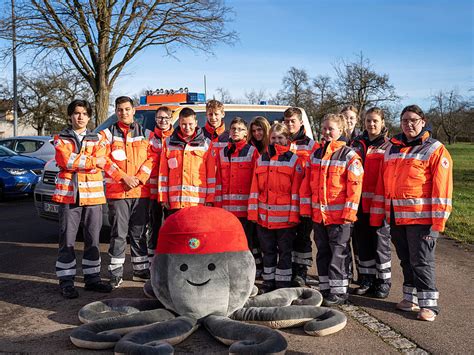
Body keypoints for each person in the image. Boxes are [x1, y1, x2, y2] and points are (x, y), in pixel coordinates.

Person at [370, 105, 453, 322]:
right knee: (405, 259)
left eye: (413, 120)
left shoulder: (435, 149)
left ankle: (429, 305)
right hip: (396, 216)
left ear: (423, 122)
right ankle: (410, 298)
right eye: (405, 120)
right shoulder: (392, 148)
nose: (409, 124)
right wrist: (378, 214)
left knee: (422, 260)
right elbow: (382, 184)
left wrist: (438, 223)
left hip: (421, 218)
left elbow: (442, 189)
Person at [300, 113, 363, 306]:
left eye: (331, 129)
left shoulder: (349, 155)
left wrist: (349, 213)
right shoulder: (316, 154)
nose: (327, 132)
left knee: (339, 254)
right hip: (319, 216)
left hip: (340, 217)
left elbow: (355, 187)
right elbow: (307, 185)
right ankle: (326, 288)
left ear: (341, 131)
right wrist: (306, 209)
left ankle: (340, 292)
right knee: (323, 253)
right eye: (324, 128)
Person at [53, 99, 112, 298]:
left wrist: (79, 161)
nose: (80, 117)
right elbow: (64, 160)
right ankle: (66, 282)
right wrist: (92, 161)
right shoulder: (60, 139)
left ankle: (92, 279)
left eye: (84, 114)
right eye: (76, 113)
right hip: (70, 196)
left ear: (89, 117)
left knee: (93, 240)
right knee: (67, 239)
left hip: (93, 197)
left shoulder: (99, 139)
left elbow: (102, 161)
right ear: (70, 116)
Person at [101, 96, 153, 288]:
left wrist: (139, 178)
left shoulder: (146, 133)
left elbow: (152, 159)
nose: (124, 112)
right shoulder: (107, 134)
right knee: (118, 234)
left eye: (127, 109)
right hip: (119, 192)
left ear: (134, 111)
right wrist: (124, 177)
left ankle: (140, 270)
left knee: (139, 233)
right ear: (116, 111)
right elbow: (104, 160)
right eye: (120, 109)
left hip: (140, 192)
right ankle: (115, 273)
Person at [248, 122, 304, 293]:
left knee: (285, 253)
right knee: (268, 251)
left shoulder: (294, 160)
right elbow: (254, 188)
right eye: (273, 138)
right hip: (264, 218)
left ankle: (283, 284)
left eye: (280, 138)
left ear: (287, 139)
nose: (276, 141)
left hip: (285, 219)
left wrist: (294, 216)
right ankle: (268, 282)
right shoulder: (261, 158)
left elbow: (296, 192)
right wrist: (253, 213)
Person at [351, 107, 391, 298]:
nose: (371, 124)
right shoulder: (356, 144)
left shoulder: (389, 146)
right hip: (358, 203)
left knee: (380, 244)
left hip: (379, 203)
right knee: (363, 243)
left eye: (375, 121)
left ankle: (382, 281)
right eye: (368, 121)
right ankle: (366, 279)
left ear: (382, 122)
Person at [215, 117, 261, 276]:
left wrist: (253, 208)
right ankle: (231, 272)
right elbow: (218, 181)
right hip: (226, 211)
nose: (236, 132)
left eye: (240, 129)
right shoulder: (222, 153)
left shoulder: (251, 152)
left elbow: (256, 182)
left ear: (246, 133)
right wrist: (218, 208)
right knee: (228, 243)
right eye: (234, 128)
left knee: (246, 243)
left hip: (244, 210)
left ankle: (248, 273)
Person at [283, 107, 318, 287]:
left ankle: (301, 272)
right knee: (287, 237)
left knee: (303, 237)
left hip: (303, 200)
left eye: (293, 121)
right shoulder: (281, 141)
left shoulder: (311, 145)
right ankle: (289, 270)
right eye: (287, 121)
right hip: (284, 200)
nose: (289, 124)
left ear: (301, 122)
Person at [158, 107, 216, 214]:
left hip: (198, 201)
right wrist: (163, 196)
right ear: (179, 123)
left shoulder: (206, 144)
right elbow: (163, 173)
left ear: (196, 123)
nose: (187, 127)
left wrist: (210, 199)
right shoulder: (169, 142)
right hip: (174, 202)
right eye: (184, 124)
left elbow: (211, 175)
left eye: (190, 124)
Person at [145, 106, 174, 262]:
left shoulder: (176, 139)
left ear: (171, 119)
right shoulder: (148, 139)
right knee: (154, 226)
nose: (163, 121)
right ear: (155, 119)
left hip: (171, 192)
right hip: (152, 191)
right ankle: (152, 261)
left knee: (170, 227)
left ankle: (168, 258)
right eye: (159, 118)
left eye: (166, 118)